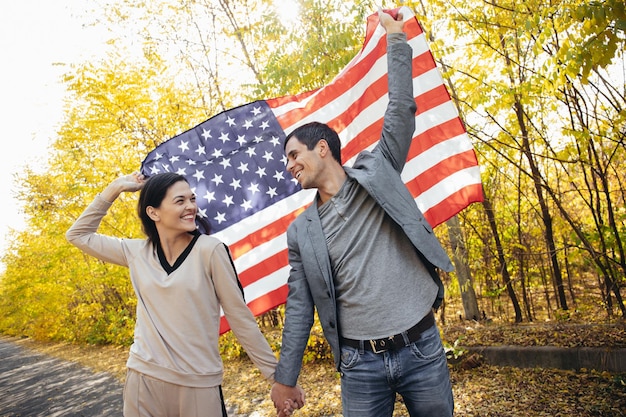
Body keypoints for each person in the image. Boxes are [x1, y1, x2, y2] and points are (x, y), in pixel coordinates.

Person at [270, 8, 454, 417]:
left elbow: (401, 108)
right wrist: (286, 377)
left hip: (421, 347)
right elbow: (300, 306)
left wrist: (396, 38)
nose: (290, 165)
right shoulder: (302, 233)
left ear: (322, 149)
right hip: (359, 366)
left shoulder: (379, 169)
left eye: (294, 154)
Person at [66, 172, 303, 417]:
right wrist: (114, 188)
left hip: (199, 385)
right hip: (143, 380)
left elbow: (239, 318)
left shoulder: (210, 251)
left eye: (192, 199)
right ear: (153, 213)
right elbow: (78, 235)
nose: (191, 207)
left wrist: (278, 378)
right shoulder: (136, 252)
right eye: (180, 201)